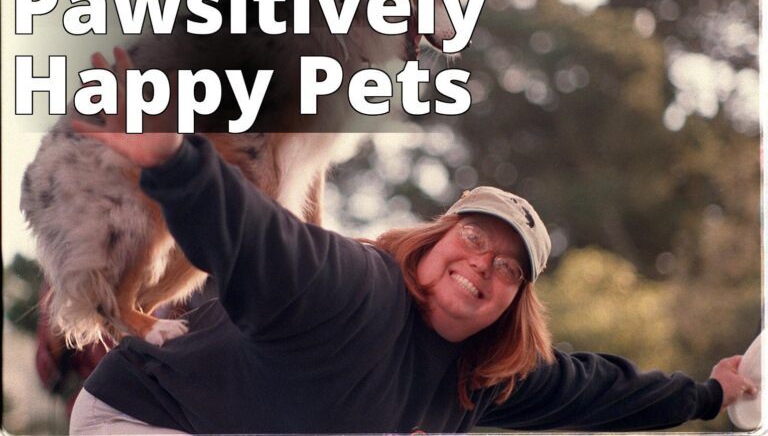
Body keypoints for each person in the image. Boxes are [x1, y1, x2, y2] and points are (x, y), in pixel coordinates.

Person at [68, 49, 756, 434]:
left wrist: (708, 394)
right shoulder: (355, 289)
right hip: (148, 416)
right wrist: (172, 158)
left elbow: (599, 390)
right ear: (429, 244)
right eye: (473, 238)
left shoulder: (478, 382)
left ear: (511, 304)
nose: (484, 262)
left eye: (509, 268)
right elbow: (258, 239)